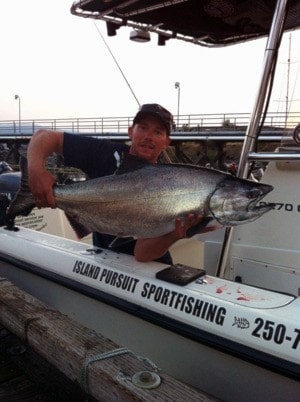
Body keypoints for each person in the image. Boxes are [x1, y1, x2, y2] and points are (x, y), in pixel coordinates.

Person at [26, 103, 206, 264]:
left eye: (158, 132)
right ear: (130, 131)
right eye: (143, 128)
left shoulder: (171, 187)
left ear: (166, 142)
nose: (148, 136)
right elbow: (45, 136)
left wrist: (175, 233)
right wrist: (35, 171)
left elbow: (142, 255)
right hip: (105, 264)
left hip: (151, 271)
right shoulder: (103, 153)